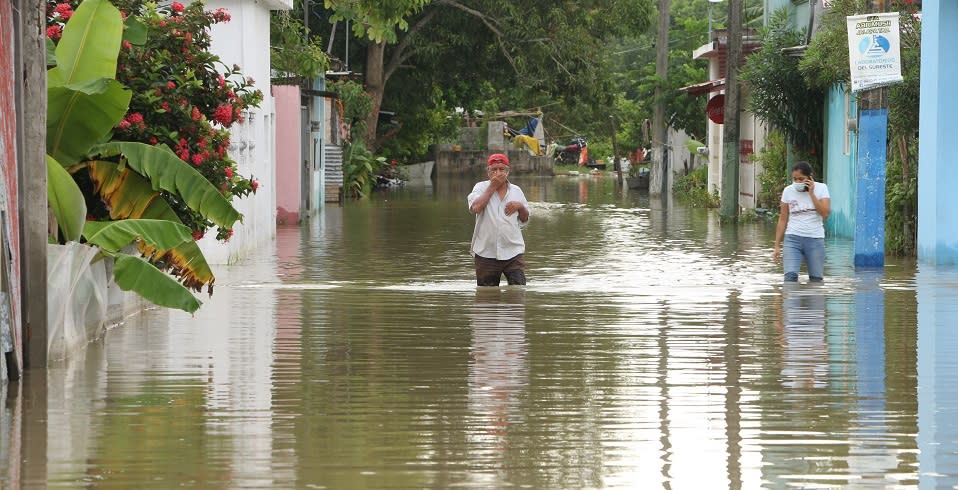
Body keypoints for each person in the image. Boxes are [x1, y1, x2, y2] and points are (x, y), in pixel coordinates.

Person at [467, 153, 530, 286]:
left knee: (518, 291)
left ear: (508, 172)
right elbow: (475, 208)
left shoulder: (516, 191)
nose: (498, 173)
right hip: (486, 253)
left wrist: (520, 206)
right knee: (486, 297)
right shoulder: (480, 187)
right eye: (494, 169)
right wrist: (492, 187)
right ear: (488, 172)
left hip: (513, 252)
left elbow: (524, 219)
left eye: (501, 169)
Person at [773, 161, 831, 282]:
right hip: (792, 239)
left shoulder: (822, 188)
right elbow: (783, 218)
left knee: (816, 281)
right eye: (795, 179)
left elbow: (825, 213)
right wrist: (777, 245)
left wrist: (812, 194)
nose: (798, 182)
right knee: (790, 278)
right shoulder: (788, 191)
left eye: (801, 179)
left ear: (810, 177)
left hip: (815, 239)